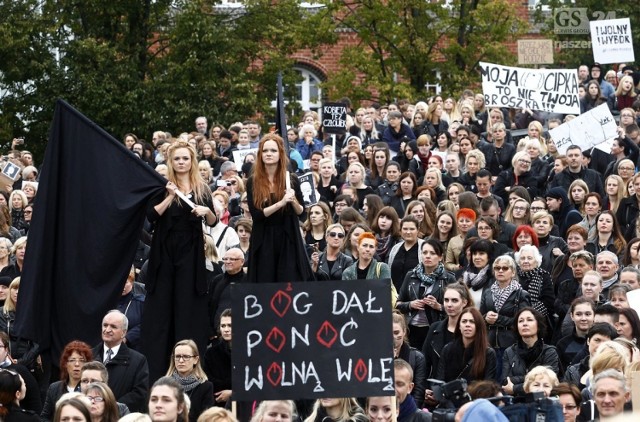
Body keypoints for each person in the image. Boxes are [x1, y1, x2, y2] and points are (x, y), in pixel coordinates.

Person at [141, 141, 217, 381]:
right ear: (170, 162)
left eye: (185, 158)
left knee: (187, 308)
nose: (181, 162)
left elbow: (213, 221)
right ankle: (158, 373)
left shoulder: (202, 188)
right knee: (162, 310)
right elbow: (150, 217)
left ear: (192, 161)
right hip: (164, 252)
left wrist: (206, 213)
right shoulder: (163, 186)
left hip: (191, 254)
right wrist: (170, 197)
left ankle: (190, 371)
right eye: (177, 159)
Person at [246, 134, 314, 284]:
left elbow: (301, 213)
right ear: (260, 154)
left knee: (288, 280)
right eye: (265, 151)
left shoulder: (291, 179)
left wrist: (293, 200)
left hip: (287, 236)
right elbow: (256, 215)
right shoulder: (253, 181)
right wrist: (281, 203)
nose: (268, 154)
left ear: (280, 154)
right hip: (263, 238)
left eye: (273, 150)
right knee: (265, 280)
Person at [396, 239, 455, 348]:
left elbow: (457, 308)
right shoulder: (411, 275)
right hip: (411, 328)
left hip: (436, 328)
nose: (428, 256)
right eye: (425, 253)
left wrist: (438, 306)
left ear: (440, 257)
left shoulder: (448, 278)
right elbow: (398, 304)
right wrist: (410, 304)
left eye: (432, 253)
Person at [481, 255, 531, 379]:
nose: (500, 271)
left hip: (511, 342)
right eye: (497, 268)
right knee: (490, 379)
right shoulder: (488, 292)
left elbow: (524, 320)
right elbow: (480, 316)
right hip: (490, 342)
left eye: (505, 268)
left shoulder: (521, 293)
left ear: (513, 272)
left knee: (506, 379)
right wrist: (485, 317)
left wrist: (499, 319)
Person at [92, 310, 149, 413]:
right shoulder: (90, 356)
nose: (107, 330)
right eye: (105, 325)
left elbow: (139, 393)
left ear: (123, 333)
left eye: (113, 327)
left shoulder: (138, 361)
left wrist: (112, 408)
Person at [501, 308, 559, 397]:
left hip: (542, 400)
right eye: (520, 321)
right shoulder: (509, 352)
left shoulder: (549, 352)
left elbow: (549, 382)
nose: (524, 324)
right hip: (517, 403)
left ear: (538, 325)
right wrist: (534, 379)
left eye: (529, 320)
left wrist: (515, 388)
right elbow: (505, 382)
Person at [436, 307, 496, 383]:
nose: (467, 325)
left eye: (472, 322)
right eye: (464, 321)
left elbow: (488, 385)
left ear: (478, 326)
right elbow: (439, 380)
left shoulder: (488, 353)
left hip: (476, 394)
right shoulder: (448, 349)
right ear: (459, 326)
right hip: (450, 394)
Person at [41, 341, 94, 421]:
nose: (77, 364)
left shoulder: (89, 388)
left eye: (82, 360)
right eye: (72, 360)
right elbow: (44, 417)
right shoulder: (54, 388)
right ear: (65, 364)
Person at [165, 340, 213, 421]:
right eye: (177, 356)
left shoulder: (206, 387)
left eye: (186, 357)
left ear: (196, 359)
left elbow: (207, 418)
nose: (181, 361)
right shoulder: (164, 385)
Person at [515, 245, 554, 318]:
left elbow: (548, 301)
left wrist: (530, 314)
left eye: (529, 258)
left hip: (538, 317)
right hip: (515, 317)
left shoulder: (543, 275)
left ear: (536, 261)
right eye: (522, 258)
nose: (526, 261)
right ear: (519, 261)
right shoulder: (514, 276)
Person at [203, 309, 232, 408]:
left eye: (230, 325)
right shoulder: (210, 353)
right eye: (223, 326)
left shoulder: (247, 353)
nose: (226, 329)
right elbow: (209, 381)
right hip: (217, 405)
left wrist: (233, 393)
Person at [388, 217, 424, 291]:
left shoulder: (424, 246)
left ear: (418, 230)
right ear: (400, 231)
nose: (408, 232)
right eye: (405, 229)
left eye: (412, 229)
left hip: (417, 295)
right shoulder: (395, 248)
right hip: (395, 295)